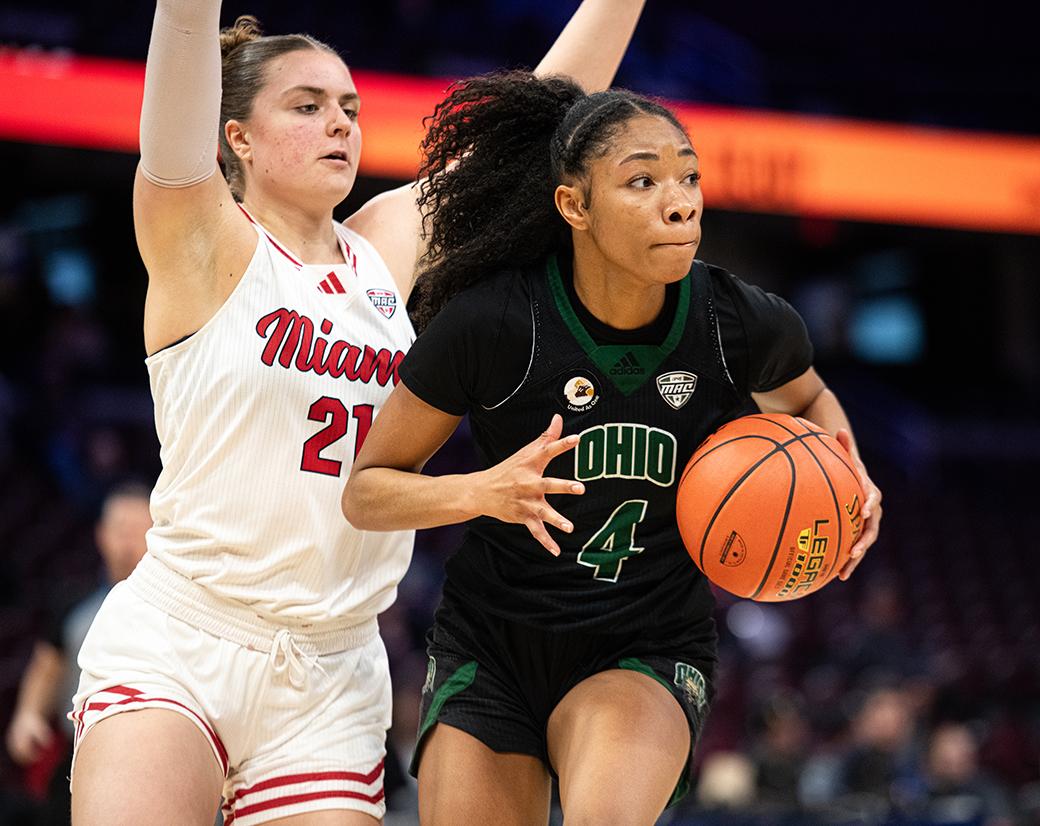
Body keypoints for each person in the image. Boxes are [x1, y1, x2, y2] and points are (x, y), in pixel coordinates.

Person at [68, 2, 647, 824]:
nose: (339, 123)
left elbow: (535, 125)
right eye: (306, 106)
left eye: (349, 108)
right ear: (235, 137)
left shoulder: (383, 248)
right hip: (185, 638)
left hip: (332, 670)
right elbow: (175, 94)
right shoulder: (200, 238)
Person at [343, 72, 883, 825]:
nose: (681, 199)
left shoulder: (740, 324)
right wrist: (479, 490)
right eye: (643, 180)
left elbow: (810, 404)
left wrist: (852, 476)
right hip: (493, 644)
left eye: (689, 176)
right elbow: (365, 490)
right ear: (574, 205)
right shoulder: (494, 325)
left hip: (644, 644)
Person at [6, 483, 151, 826]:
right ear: (101, 535)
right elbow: (46, 664)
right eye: (120, 530)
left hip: (152, 753)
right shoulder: (74, 602)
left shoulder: (180, 606)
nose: (127, 542)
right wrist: (27, 714)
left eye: (138, 530)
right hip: (81, 755)